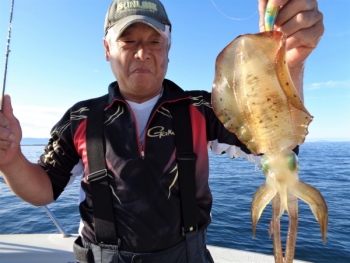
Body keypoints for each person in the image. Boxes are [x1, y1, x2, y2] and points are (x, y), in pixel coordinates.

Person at [0, 0, 324, 262]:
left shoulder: (203, 109)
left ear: (168, 48)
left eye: (155, 41)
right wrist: (11, 158)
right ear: (107, 49)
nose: (143, 53)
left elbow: (276, 144)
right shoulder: (80, 118)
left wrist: (288, 64)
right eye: (129, 41)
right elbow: (43, 190)